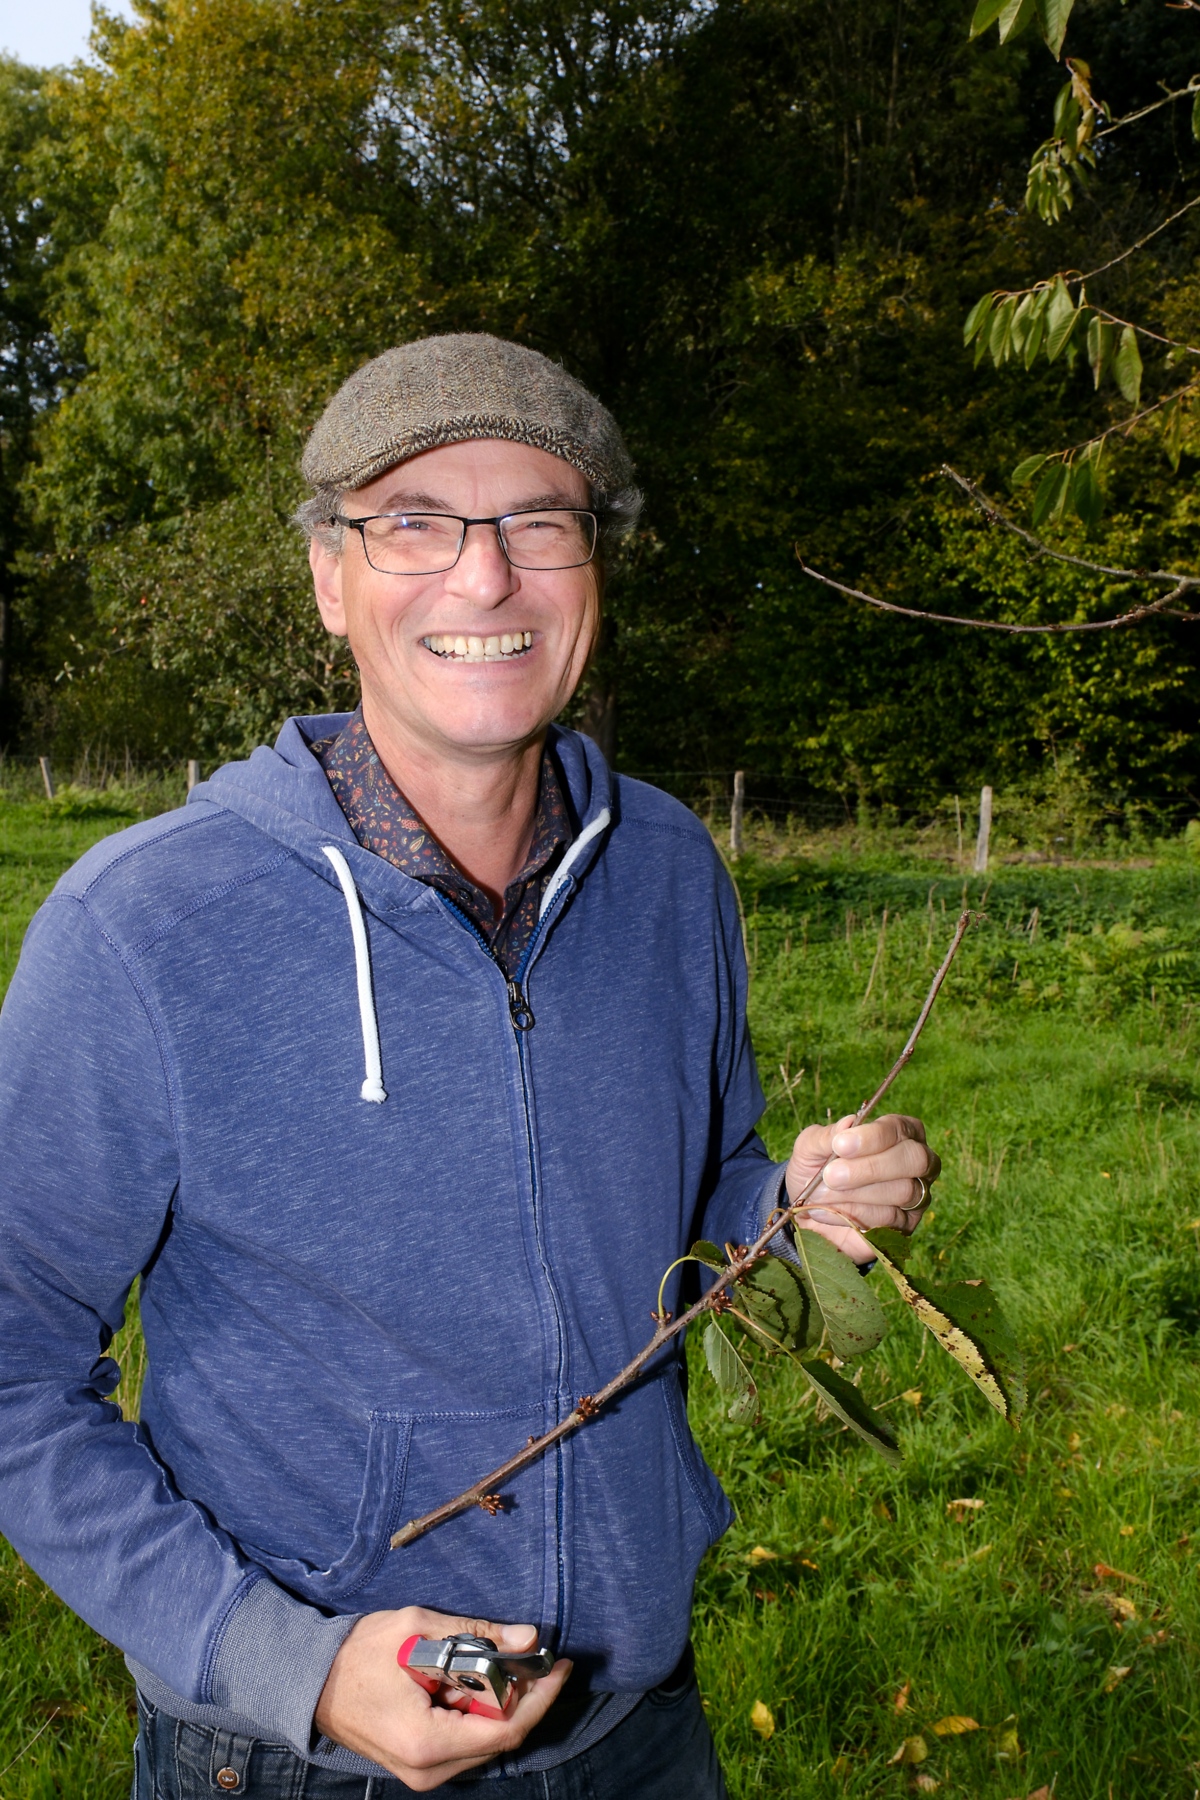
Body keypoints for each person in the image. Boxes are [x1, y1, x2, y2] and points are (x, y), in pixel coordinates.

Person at [0, 334, 940, 1798]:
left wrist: (794, 1205)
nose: (485, 578)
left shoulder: (670, 873)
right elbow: (9, 1370)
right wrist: (289, 1664)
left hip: (640, 1729)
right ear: (329, 580)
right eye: (415, 524)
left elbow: (691, 1210)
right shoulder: (145, 928)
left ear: (596, 569)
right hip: (299, 1762)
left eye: (538, 524)